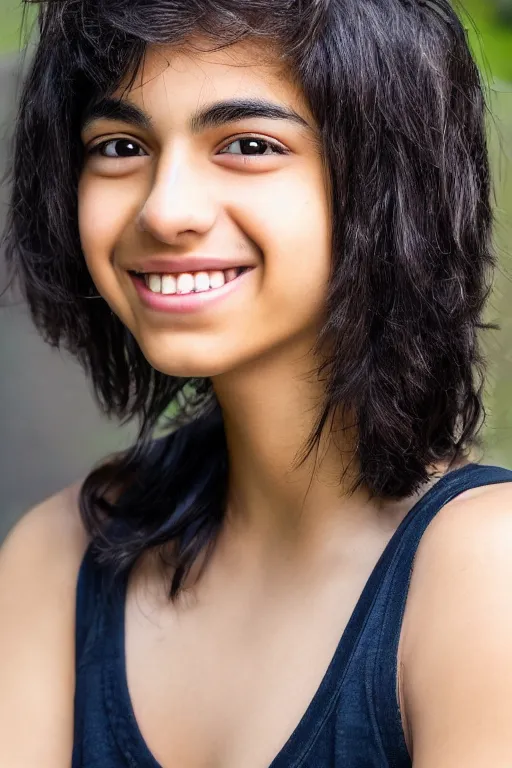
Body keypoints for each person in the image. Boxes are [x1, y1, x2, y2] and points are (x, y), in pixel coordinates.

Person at [1, 0, 512, 765]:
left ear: (386, 179)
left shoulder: (486, 569)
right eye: (118, 145)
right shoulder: (59, 555)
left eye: (247, 143)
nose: (165, 209)